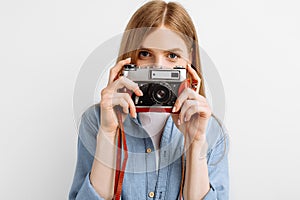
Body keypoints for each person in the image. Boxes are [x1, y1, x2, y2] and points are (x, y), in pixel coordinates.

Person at [69, 1, 229, 199]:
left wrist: (195, 142)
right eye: (145, 54)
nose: (159, 67)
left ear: (190, 62)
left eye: (172, 55)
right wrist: (108, 134)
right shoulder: (96, 120)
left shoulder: (211, 130)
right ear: (130, 59)